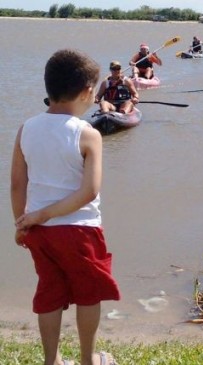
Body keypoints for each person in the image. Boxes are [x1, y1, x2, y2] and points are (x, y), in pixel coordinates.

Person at [10, 49, 120, 365]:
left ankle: (52, 361)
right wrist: (44, 214)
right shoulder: (88, 133)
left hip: (39, 232)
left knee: (49, 293)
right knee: (89, 294)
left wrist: (23, 222)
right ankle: (88, 360)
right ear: (88, 92)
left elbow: (18, 184)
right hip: (80, 231)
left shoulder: (26, 128)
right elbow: (89, 192)